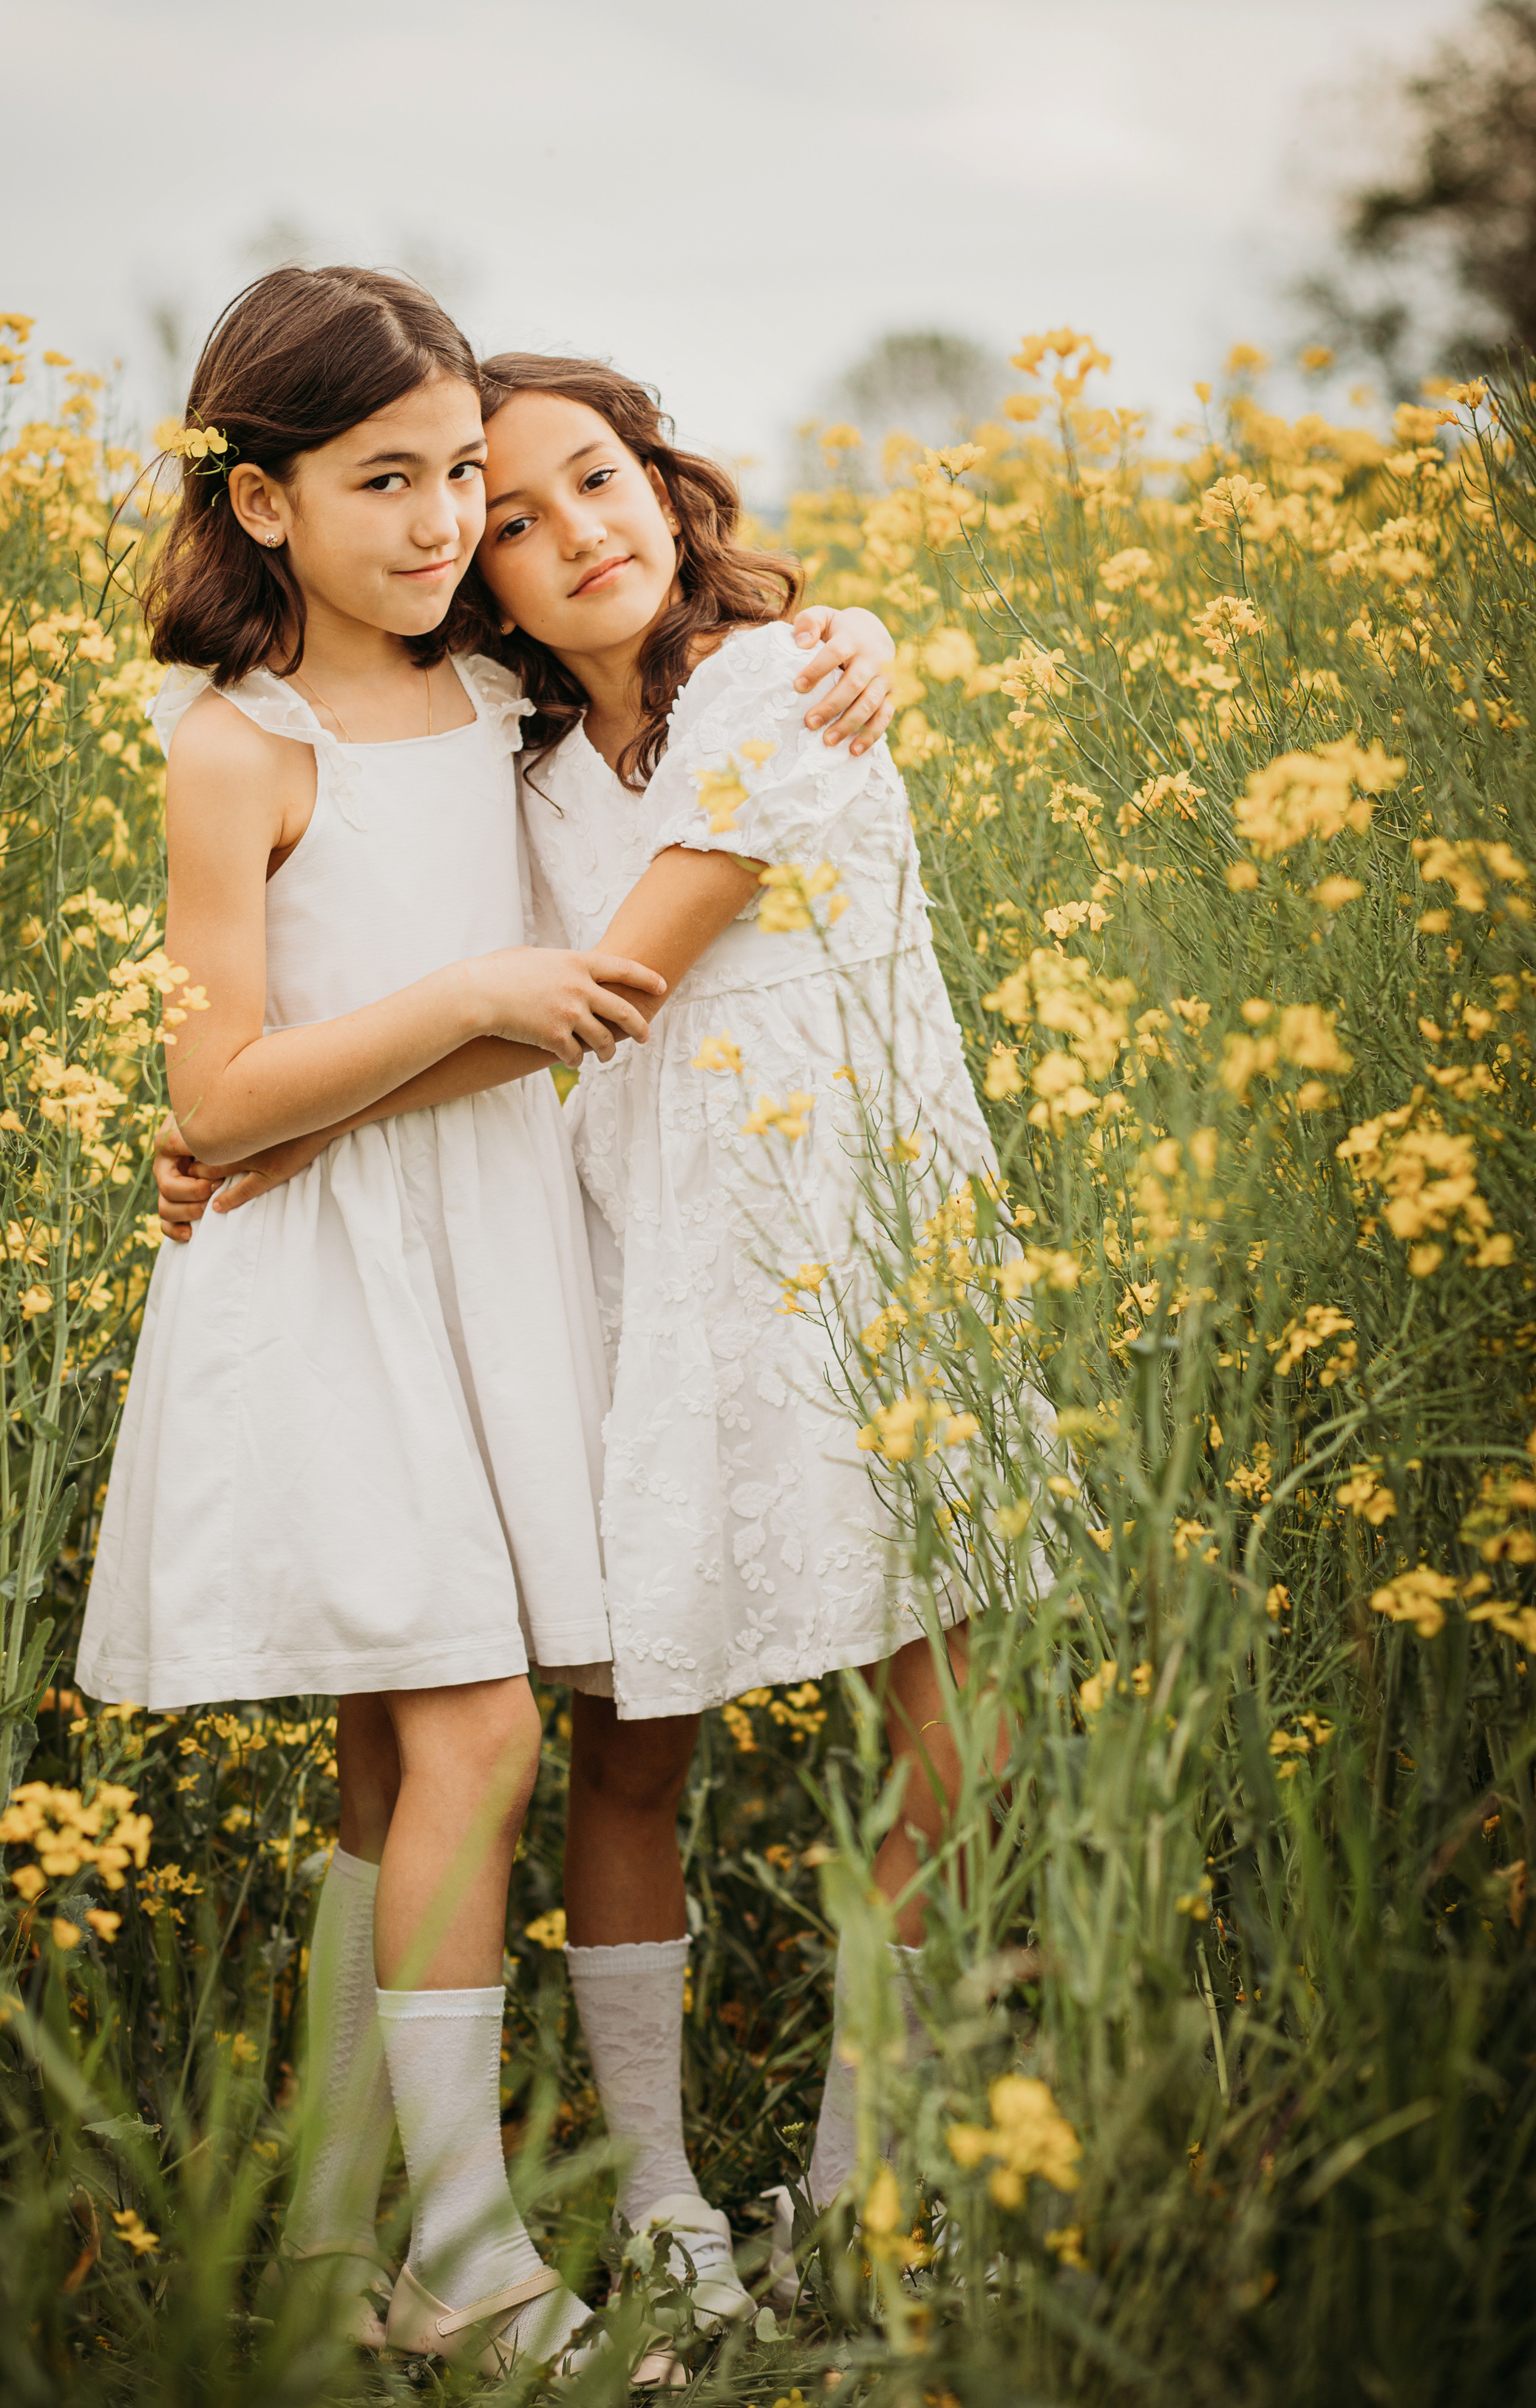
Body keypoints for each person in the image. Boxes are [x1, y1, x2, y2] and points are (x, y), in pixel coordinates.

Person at [157, 350, 1024, 2308]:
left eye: (601, 480)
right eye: (517, 520)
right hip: (647, 1280)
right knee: (633, 1753)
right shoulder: (525, 759)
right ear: (489, 586)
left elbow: (610, 984)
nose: (576, 535)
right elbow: (474, 990)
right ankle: (659, 2189)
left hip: (882, 1255)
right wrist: (250, 1121)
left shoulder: (782, 687)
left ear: (670, 480)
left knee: (941, 1728)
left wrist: (256, 1131)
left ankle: (860, 2169)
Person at [75, 263, 687, 2380]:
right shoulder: (244, 746)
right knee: (478, 1736)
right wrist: (465, 1002)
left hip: (489, 1253)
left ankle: (329, 2241)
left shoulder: (508, 698)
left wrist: (851, 640)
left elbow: (697, 663)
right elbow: (218, 1096)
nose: (442, 525)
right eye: (382, 482)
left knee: (390, 1771)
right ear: (258, 502)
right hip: (335, 1282)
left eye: (457, 479)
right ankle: (472, 2261)